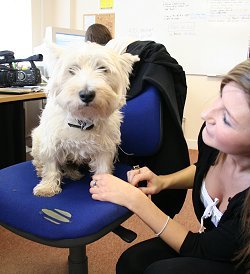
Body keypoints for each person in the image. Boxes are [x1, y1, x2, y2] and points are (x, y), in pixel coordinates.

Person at [89, 59, 250, 274]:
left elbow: (199, 248)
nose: (206, 114)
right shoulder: (214, 141)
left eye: (227, 118)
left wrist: (135, 200)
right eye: (220, 97)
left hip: (239, 261)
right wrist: (164, 181)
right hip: (216, 241)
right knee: (132, 262)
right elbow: (203, 168)